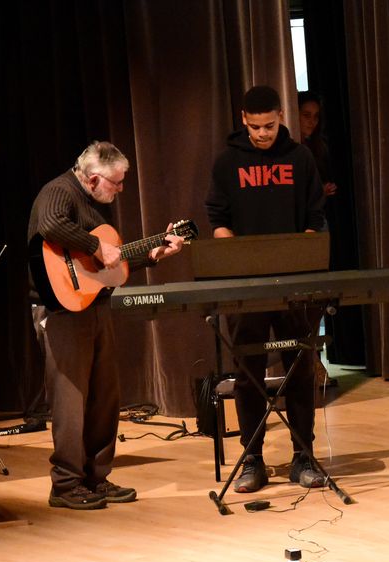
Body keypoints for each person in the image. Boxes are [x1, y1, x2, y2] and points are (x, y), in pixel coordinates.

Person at [28, 141, 185, 510]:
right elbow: (51, 225)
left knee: (104, 396)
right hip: (61, 311)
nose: (120, 189)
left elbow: (108, 263)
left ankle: (96, 478)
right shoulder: (59, 191)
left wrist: (152, 253)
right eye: (116, 183)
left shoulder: (89, 202)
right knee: (70, 399)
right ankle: (66, 485)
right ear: (95, 178)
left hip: (92, 306)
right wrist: (95, 247)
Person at [206, 85, 326, 493]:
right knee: (247, 374)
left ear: (281, 116)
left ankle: (303, 457)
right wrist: (239, 260)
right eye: (255, 127)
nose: (262, 134)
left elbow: (314, 217)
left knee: (300, 368)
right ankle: (252, 459)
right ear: (244, 119)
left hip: (294, 284)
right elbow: (218, 219)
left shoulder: (300, 157)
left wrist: (300, 258)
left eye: (269, 125)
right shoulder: (227, 162)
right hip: (248, 286)